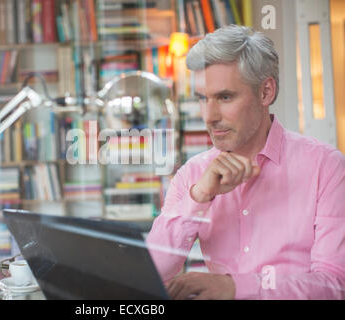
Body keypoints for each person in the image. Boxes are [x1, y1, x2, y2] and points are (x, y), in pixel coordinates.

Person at [146, 25, 345, 300]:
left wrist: (235, 288)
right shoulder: (192, 175)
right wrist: (200, 196)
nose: (210, 116)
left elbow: (334, 285)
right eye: (203, 99)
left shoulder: (327, 166)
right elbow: (153, 274)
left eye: (225, 97)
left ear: (266, 93)